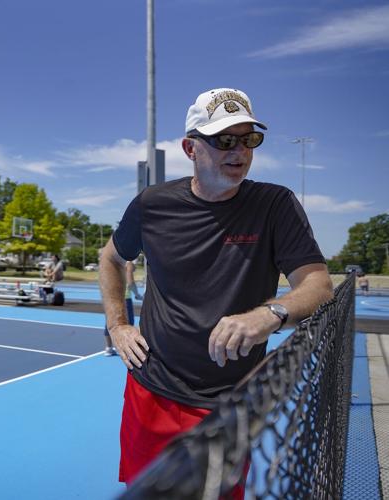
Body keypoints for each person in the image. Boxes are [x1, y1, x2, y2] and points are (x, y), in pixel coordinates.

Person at [99, 88, 334, 495]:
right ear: (191, 148)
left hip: (227, 405)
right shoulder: (152, 205)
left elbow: (318, 284)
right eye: (225, 140)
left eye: (250, 139)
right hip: (150, 388)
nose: (239, 150)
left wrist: (270, 313)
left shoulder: (275, 204)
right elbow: (111, 259)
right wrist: (118, 326)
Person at [104, 260, 142, 356]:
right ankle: (128, 348)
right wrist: (137, 294)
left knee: (111, 322)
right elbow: (130, 282)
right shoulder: (128, 263)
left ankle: (108, 348)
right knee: (128, 324)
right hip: (123, 298)